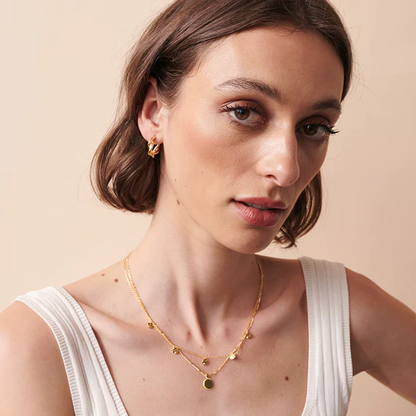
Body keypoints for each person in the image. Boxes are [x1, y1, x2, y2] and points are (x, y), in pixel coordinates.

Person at [1, 0, 415, 414]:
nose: (287, 168)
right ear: (154, 113)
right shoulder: (37, 347)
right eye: (244, 112)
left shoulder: (340, 310)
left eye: (314, 127)